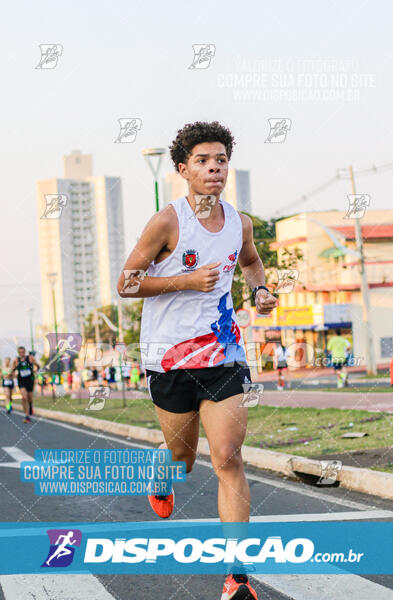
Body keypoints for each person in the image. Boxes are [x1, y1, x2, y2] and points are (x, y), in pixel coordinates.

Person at [118, 121, 278, 599]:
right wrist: (183, 282)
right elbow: (125, 284)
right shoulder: (167, 221)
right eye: (204, 161)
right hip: (169, 360)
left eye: (222, 160)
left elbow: (249, 261)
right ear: (184, 169)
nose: (215, 169)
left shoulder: (239, 221)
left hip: (224, 354)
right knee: (183, 459)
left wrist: (261, 289)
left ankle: (237, 576)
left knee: (227, 457)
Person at [11, 347, 39, 423]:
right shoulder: (16, 360)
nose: (21, 353)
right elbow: (13, 370)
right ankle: (27, 416)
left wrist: (35, 368)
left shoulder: (29, 358)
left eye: (23, 352)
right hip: (21, 380)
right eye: (20, 352)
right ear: (18, 353)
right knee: (24, 397)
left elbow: (38, 366)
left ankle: (30, 406)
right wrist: (13, 374)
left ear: (25, 352)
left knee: (29, 398)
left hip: (30, 380)